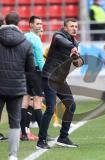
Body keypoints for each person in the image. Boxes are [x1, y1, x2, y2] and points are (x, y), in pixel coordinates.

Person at [37, 18, 84, 149]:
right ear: (65, 28)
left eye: (76, 26)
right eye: (71, 26)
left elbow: (78, 63)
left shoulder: (75, 42)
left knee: (71, 105)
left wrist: (76, 57)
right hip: (49, 77)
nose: (75, 28)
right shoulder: (58, 36)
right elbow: (64, 42)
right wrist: (73, 48)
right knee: (51, 108)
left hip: (60, 80)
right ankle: (41, 141)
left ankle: (63, 137)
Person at [0, 11, 35, 160]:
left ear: (5, 21)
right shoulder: (26, 43)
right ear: (19, 22)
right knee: (14, 121)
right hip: (16, 87)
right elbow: (31, 69)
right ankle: (13, 155)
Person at [20, 16, 44, 141]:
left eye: (41, 23)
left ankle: (23, 134)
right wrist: (46, 74)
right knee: (37, 103)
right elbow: (40, 59)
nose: (40, 26)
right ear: (31, 25)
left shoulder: (23, 37)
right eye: (37, 24)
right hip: (35, 72)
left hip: (24, 72)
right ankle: (42, 134)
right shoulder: (36, 39)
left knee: (24, 102)